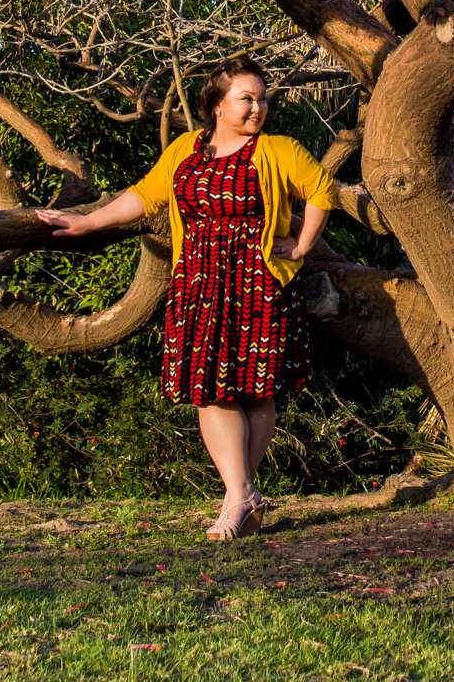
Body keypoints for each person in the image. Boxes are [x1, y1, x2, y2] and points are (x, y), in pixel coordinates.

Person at [32, 56, 336, 540]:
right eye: (246, 98)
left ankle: (238, 498)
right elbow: (146, 195)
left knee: (256, 391)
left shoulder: (278, 150)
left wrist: (300, 247)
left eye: (262, 99)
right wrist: (88, 221)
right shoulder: (183, 151)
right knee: (209, 388)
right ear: (216, 104)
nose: (258, 108)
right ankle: (242, 496)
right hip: (199, 283)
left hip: (259, 282)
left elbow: (322, 190)